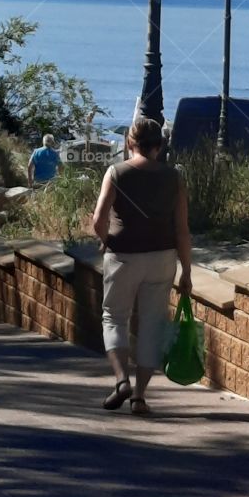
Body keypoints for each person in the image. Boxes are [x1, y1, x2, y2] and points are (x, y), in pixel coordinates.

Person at [93, 116, 192, 417]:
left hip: (123, 256)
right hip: (162, 257)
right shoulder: (175, 177)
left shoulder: (116, 172)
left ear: (129, 143)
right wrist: (186, 271)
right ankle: (139, 397)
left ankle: (122, 379)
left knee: (114, 317)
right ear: (160, 146)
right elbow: (182, 230)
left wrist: (106, 239)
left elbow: (98, 220)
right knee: (152, 324)